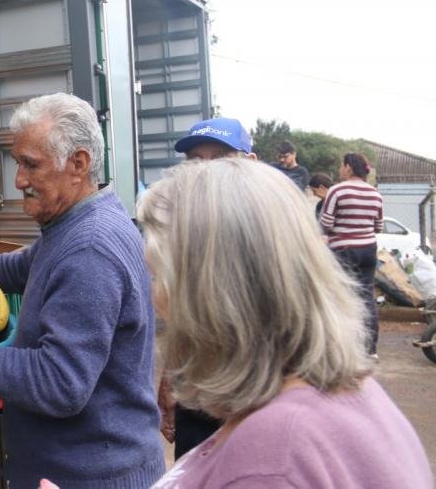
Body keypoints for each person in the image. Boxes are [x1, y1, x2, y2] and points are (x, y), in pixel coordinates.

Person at [0, 93, 164, 488]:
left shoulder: (89, 249)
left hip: (90, 478)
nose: (18, 180)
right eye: (18, 163)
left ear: (78, 164)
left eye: (31, 165)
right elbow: (19, 267)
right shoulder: (79, 222)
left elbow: (59, 384)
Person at [139, 159, 431, 488]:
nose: (154, 297)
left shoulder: (268, 461)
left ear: (211, 294)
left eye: (158, 277)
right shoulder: (346, 393)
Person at [157, 117, 255, 460]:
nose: (207, 171)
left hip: (254, 397)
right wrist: (170, 379)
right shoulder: (184, 228)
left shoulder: (271, 234)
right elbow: (180, 313)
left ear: (251, 163)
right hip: (198, 396)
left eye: (222, 158)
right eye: (197, 161)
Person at [320, 152, 384, 357]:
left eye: (341, 165)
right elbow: (378, 226)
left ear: (348, 168)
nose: (340, 170)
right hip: (368, 250)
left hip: (343, 250)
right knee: (366, 296)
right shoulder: (375, 194)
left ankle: (341, 346)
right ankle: (370, 348)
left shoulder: (337, 190)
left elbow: (326, 223)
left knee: (340, 295)